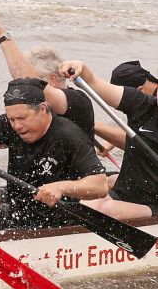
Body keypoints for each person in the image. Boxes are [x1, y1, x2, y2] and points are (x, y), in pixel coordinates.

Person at [0, 78, 108, 234]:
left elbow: (100, 185)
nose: (17, 126)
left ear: (43, 109)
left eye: (22, 118)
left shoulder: (70, 136)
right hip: (14, 210)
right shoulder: (11, 123)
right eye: (12, 119)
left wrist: (60, 187)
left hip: (55, 222)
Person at [60, 61, 158, 220]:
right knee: (86, 205)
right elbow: (93, 83)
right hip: (124, 192)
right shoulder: (141, 104)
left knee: (111, 209)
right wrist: (82, 68)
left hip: (154, 205)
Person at [0, 15, 95, 141]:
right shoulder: (29, 110)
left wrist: (2, 35)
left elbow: (28, 80)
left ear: (53, 79)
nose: (24, 88)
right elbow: (4, 143)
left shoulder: (77, 101)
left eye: (34, 76)